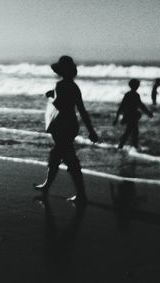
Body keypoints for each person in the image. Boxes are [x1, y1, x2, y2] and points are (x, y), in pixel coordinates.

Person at [35, 56, 99, 204]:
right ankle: (47, 185)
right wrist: (91, 130)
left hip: (61, 125)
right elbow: (82, 110)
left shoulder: (59, 85)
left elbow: (58, 105)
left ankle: (81, 194)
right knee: (57, 155)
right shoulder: (75, 87)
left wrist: (50, 96)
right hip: (71, 125)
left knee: (68, 159)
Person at [113, 79, 153, 149]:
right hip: (132, 116)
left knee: (132, 131)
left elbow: (121, 107)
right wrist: (148, 113)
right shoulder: (135, 95)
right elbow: (141, 105)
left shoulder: (128, 94)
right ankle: (124, 146)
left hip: (129, 116)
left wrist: (117, 118)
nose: (138, 86)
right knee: (130, 131)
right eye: (137, 85)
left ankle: (130, 145)